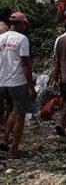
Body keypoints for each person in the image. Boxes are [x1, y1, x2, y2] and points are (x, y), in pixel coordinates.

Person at [0, 13, 36, 158]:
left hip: (2, 81)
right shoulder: (22, 39)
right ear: (21, 24)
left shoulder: (1, 38)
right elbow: (25, 63)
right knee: (20, 114)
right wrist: (31, 87)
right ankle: (13, 149)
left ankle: (4, 138)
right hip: (17, 82)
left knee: (13, 110)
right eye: (25, 25)